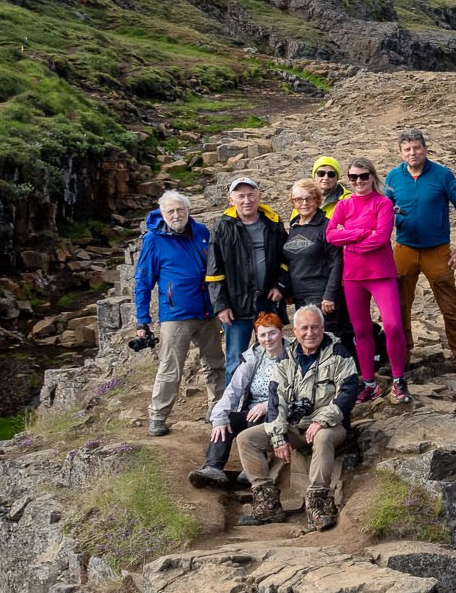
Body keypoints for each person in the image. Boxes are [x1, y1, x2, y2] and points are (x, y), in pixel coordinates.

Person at [235, 305, 358, 531]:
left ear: (323, 328)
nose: (310, 333)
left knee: (323, 438)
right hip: (294, 425)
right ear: (296, 331)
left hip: (330, 425)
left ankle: (318, 504)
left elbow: (348, 393)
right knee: (246, 439)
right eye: (304, 328)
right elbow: (276, 399)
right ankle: (268, 504)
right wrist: (278, 436)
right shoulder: (285, 357)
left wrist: (321, 421)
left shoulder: (340, 353)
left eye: (315, 327)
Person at [385, 128, 456, 380]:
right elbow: (382, 211)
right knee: (399, 306)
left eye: (417, 148)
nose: (412, 153)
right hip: (404, 249)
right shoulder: (393, 177)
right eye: (407, 149)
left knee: (450, 307)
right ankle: (401, 358)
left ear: (425, 149)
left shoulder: (442, 175)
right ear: (400, 153)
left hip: (437, 251)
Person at [132, 189, 225, 437]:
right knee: (170, 367)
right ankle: (158, 416)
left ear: (188, 210)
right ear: (162, 213)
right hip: (176, 315)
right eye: (171, 211)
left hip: (207, 312)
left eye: (180, 210)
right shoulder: (153, 240)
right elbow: (143, 281)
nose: (176, 215)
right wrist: (143, 320)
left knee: (215, 363)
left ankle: (217, 409)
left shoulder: (201, 232)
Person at [325, 157, 411, 404]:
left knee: (393, 325)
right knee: (361, 331)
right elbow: (331, 235)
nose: (359, 181)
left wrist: (351, 242)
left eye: (363, 176)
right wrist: (363, 233)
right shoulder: (344, 205)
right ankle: (370, 383)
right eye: (353, 177)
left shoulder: (383, 203)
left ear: (373, 177)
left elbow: (381, 238)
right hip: (353, 277)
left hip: (381, 274)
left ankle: (398, 379)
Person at [205, 175, 286, 379]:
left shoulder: (273, 223)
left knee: (272, 355)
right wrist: (221, 305)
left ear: (259, 196)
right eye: (241, 196)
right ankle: (233, 400)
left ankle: (271, 395)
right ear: (231, 200)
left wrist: (280, 285)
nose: (246, 200)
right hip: (235, 306)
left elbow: (285, 258)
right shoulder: (223, 226)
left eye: (251, 195)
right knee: (235, 360)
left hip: (266, 301)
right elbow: (214, 269)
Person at [194, 312, 286, 489]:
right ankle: (213, 467)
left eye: (272, 333)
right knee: (227, 420)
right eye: (262, 335)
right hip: (251, 410)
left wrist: (267, 406)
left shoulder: (294, 356)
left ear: (281, 332)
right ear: (257, 337)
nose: (268, 339)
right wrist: (219, 417)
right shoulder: (254, 357)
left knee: (256, 416)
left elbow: (295, 391)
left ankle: (252, 467)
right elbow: (233, 389)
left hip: (279, 412)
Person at [282, 177, 349, 357]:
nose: (304, 203)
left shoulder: (326, 226)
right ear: (293, 202)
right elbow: (292, 261)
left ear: (317, 199)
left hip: (321, 295)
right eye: (298, 199)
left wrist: (330, 295)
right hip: (300, 296)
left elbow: (337, 262)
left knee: (324, 341)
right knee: (306, 341)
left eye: (309, 198)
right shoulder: (294, 227)